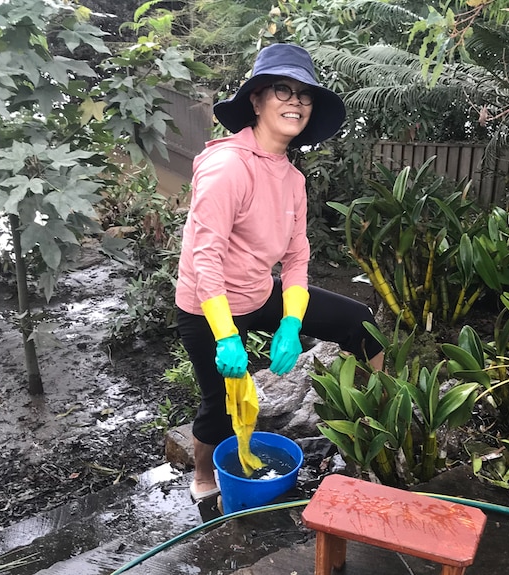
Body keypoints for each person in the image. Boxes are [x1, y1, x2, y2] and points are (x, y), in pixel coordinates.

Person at [175, 43, 385, 502]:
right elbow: (203, 258)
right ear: (256, 100)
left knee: (359, 322)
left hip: (256, 291)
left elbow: (296, 257)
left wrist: (291, 324)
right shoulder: (227, 166)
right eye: (282, 90)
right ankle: (205, 479)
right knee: (222, 405)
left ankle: (373, 420)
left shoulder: (291, 177)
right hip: (208, 306)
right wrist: (228, 336)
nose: (295, 101)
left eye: (305, 94)